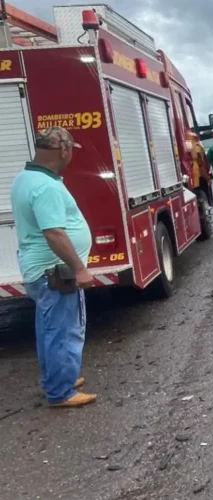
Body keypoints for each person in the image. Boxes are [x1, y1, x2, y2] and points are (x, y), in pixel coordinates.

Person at [11, 127, 96, 407]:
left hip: (43, 271)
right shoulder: (45, 186)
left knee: (49, 329)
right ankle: (61, 393)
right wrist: (79, 268)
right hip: (55, 272)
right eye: (71, 150)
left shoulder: (27, 177)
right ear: (63, 150)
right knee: (64, 331)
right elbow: (54, 233)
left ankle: (58, 379)